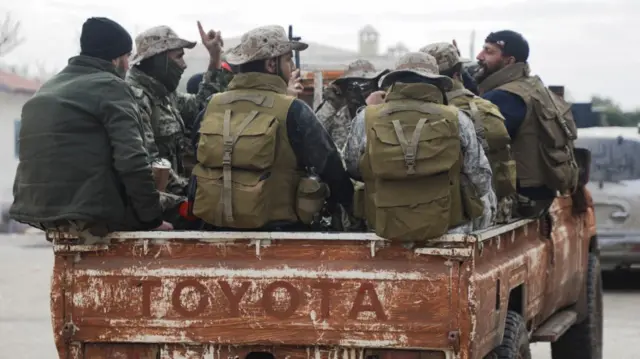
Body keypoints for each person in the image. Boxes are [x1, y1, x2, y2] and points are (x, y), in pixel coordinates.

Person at [10, 17, 172, 238]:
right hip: (91, 213)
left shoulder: (47, 88)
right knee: (181, 216)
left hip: (39, 210)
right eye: (126, 56)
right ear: (115, 58)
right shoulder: (111, 86)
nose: (128, 65)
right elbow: (132, 160)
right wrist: (152, 218)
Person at [189, 25, 354, 231]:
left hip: (214, 231)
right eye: (287, 59)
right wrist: (349, 206)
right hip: (280, 236)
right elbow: (332, 168)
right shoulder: (293, 109)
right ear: (270, 64)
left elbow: (194, 160)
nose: (292, 66)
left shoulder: (212, 105)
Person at [343, 52, 495, 240]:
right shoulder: (457, 118)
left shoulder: (365, 118)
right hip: (448, 233)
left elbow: (352, 167)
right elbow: (480, 178)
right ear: (436, 82)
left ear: (394, 82)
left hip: (382, 231)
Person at [475, 30, 579, 217]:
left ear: (509, 61)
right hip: (538, 196)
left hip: (517, 201)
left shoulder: (504, 97)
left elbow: (477, 146)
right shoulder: (535, 88)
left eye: (489, 52)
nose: (479, 56)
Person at [421, 41, 516, 224]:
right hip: (488, 214)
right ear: (458, 73)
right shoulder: (484, 108)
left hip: (432, 213)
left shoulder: (413, 113)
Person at [126, 22, 225, 194]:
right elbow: (148, 165)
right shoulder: (136, 99)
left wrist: (215, 57)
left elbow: (201, 107)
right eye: (179, 57)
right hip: (161, 206)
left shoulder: (163, 93)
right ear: (159, 60)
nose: (184, 65)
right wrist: (195, 194)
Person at [315, 60, 388, 151]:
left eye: (365, 85)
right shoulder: (337, 114)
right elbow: (312, 136)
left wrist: (368, 110)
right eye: (351, 86)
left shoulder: (383, 112)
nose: (357, 92)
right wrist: (331, 104)